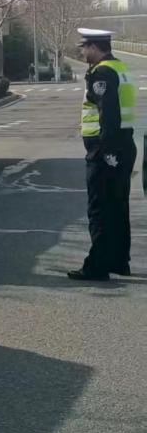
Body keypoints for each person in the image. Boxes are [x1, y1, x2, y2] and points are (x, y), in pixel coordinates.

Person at [69, 28, 137, 281]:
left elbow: (108, 114)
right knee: (117, 206)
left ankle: (97, 267)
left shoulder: (102, 73)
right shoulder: (119, 67)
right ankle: (119, 261)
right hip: (123, 145)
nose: (82, 52)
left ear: (95, 47)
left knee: (99, 208)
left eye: (84, 48)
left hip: (105, 149)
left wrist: (105, 152)